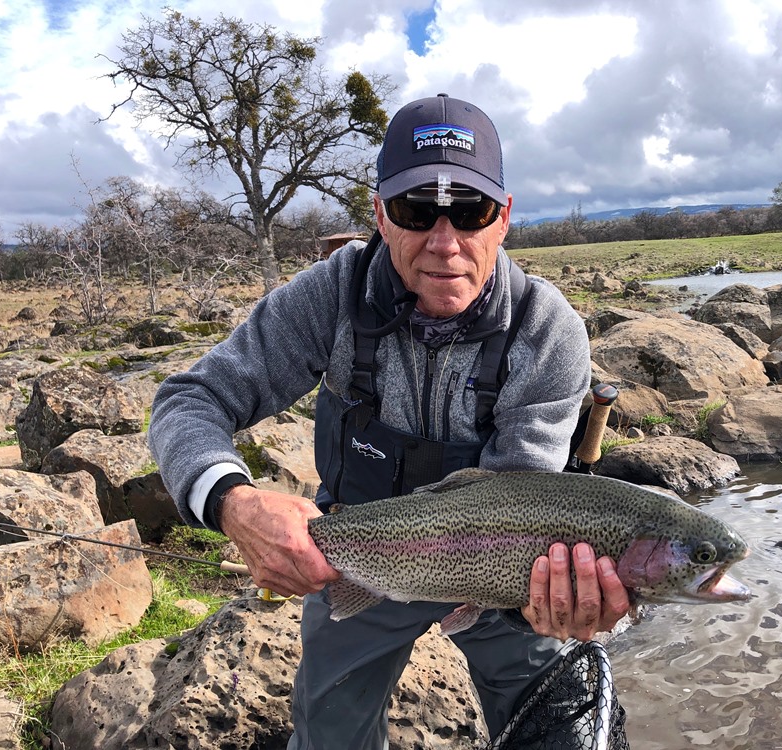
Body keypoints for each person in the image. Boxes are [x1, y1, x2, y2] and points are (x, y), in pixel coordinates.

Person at [148, 93, 630, 748]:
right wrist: (233, 504)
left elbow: (520, 502)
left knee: (559, 725)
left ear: (504, 218)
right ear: (379, 214)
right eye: (414, 211)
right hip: (354, 559)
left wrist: (561, 598)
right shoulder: (331, 295)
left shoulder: (546, 331)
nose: (444, 242)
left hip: (500, 576)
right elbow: (190, 399)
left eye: (469, 211)